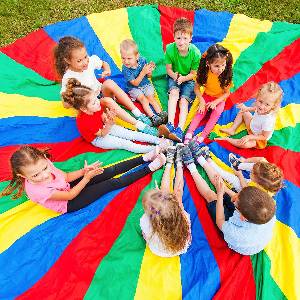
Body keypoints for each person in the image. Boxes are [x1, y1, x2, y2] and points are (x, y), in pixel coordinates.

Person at [0, 146, 166, 213]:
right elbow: (71, 195)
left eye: (44, 168)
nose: (44, 175)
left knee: (108, 171)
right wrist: (86, 178)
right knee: (112, 183)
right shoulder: (38, 190)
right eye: (35, 175)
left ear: (44, 158)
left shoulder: (44, 163)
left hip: (67, 186)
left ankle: (144, 158)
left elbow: (65, 177)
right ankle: (149, 168)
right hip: (69, 202)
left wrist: (83, 171)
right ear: (23, 177)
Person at [181, 144, 276, 255]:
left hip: (239, 238)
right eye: (238, 195)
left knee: (211, 196)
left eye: (235, 201)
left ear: (241, 216)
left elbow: (220, 221)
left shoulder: (235, 233)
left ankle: (191, 166)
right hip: (249, 220)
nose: (234, 197)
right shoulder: (267, 207)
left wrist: (220, 195)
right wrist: (224, 189)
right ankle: (201, 159)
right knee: (221, 185)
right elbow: (238, 197)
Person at [54, 36, 155, 133]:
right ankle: (140, 125)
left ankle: (137, 113)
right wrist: (74, 95)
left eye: (85, 57)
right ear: (67, 60)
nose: (85, 62)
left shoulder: (89, 62)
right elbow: (65, 104)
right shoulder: (69, 78)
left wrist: (107, 70)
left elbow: (103, 63)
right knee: (108, 101)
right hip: (91, 105)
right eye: (79, 61)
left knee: (109, 82)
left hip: (100, 93)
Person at [63, 79, 172, 153]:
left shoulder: (96, 106)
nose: (98, 102)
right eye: (93, 102)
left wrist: (107, 118)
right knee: (125, 143)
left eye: (96, 99)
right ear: (83, 109)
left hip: (105, 126)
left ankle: (158, 140)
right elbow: (102, 134)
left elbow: (101, 117)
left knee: (130, 134)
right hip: (98, 138)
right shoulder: (84, 121)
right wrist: (109, 124)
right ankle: (155, 149)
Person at [140, 144, 191, 257]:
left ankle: (169, 163)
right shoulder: (183, 220)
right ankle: (179, 164)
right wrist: (178, 203)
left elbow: (145, 234)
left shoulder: (145, 221)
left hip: (159, 250)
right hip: (178, 248)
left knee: (166, 192)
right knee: (178, 194)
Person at [158, 17, 201, 142]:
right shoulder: (170, 49)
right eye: (178, 38)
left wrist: (184, 78)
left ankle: (180, 130)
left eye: (185, 38)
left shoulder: (195, 53)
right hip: (175, 75)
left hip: (188, 78)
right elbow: (169, 70)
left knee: (183, 101)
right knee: (173, 93)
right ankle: (170, 124)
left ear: (190, 38)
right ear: (173, 37)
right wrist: (176, 77)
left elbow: (193, 74)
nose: (181, 42)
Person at [184, 44, 233, 144]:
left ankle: (203, 136)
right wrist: (202, 101)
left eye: (223, 65)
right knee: (200, 112)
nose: (220, 69)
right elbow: (196, 88)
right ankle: (189, 133)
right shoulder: (204, 73)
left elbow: (227, 93)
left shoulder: (225, 74)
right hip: (206, 96)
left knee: (216, 113)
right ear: (208, 63)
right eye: (216, 66)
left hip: (219, 99)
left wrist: (216, 102)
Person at [218, 81, 283, 149]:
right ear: (257, 97)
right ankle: (232, 129)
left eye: (267, 104)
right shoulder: (261, 108)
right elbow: (256, 109)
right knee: (243, 111)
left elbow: (264, 136)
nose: (261, 106)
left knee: (245, 144)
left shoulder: (268, 120)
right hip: (252, 125)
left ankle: (228, 139)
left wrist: (250, 137)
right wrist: (246, 108)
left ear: (273, 106)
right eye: (260, 101)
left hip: (258, 138)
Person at [120, 39, 168, 127]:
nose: (126, 61)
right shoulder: (125, 68)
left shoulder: (142, 60)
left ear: (137, 56)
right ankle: (153, 117)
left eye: (129, 58)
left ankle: (161, 113)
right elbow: (135, 83)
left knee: (151, 98)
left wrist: (150, 70)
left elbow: (149, 76)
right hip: (133, 87)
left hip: (145, 84)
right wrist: (143, 72)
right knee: (144, 100)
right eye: (123, 58)